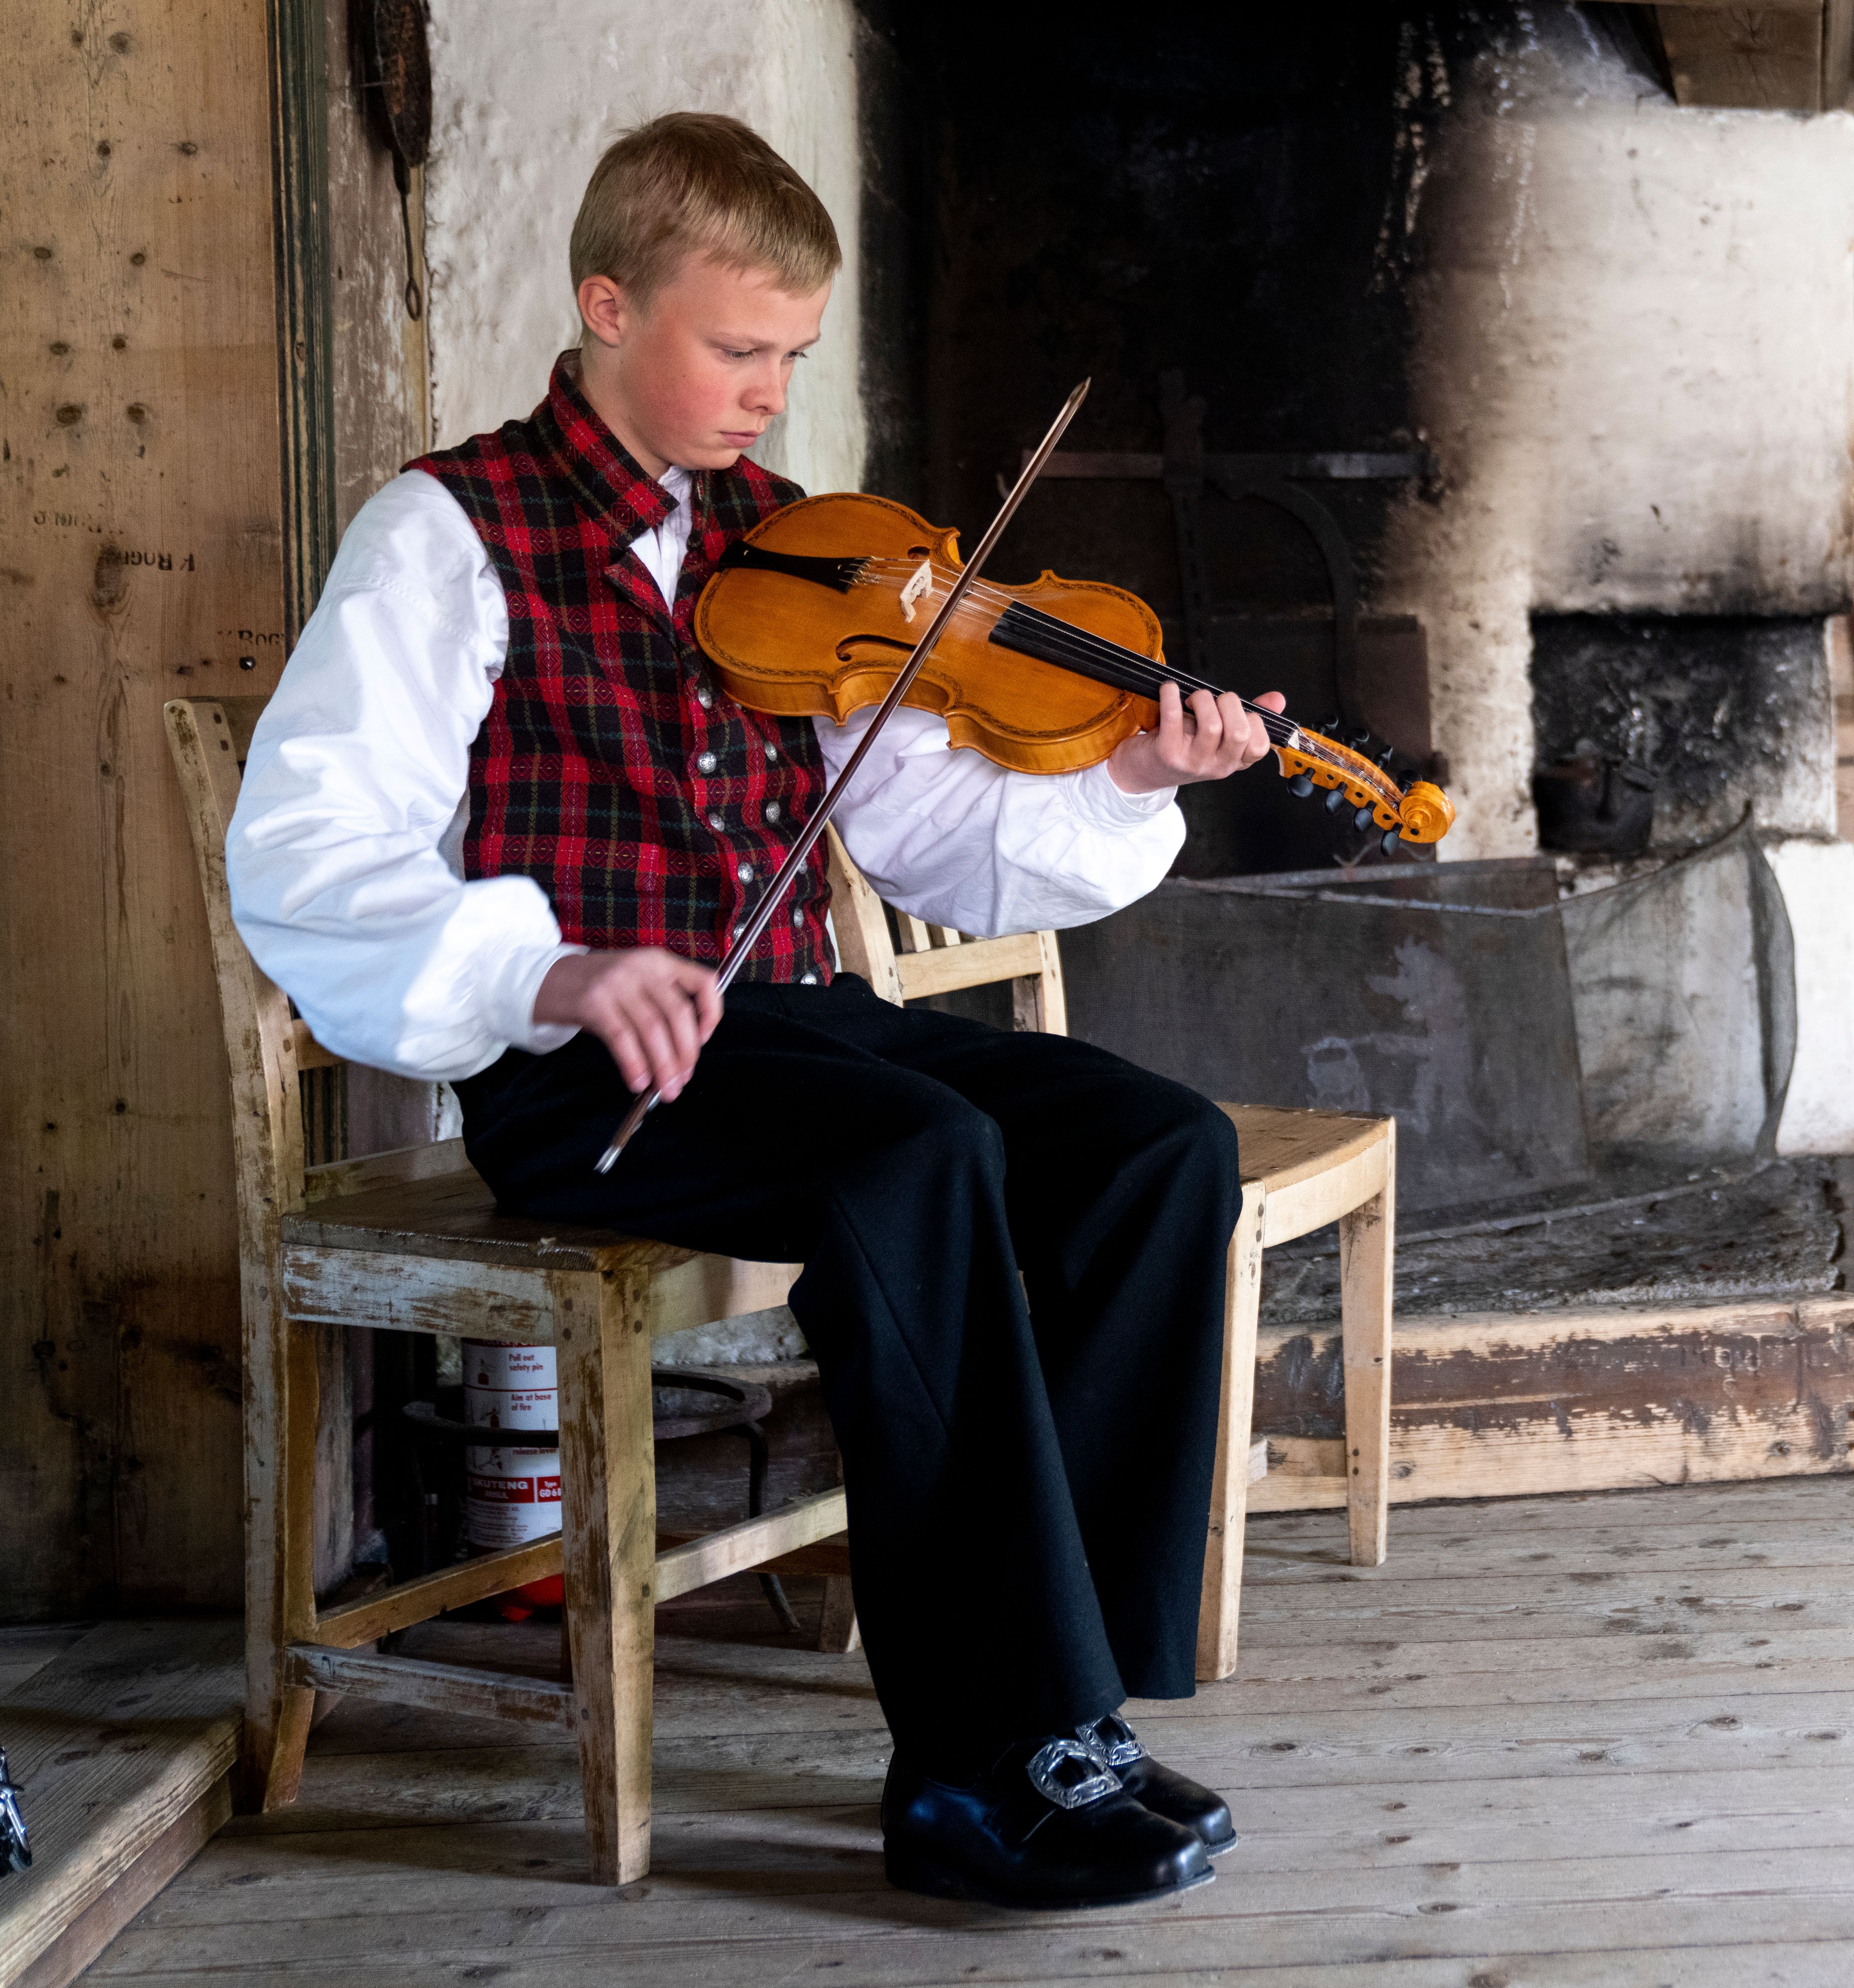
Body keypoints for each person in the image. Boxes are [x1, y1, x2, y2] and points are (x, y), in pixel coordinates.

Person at [228, 111, 1280, 1910]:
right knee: (919, 1155)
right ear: (605, 304)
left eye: (790, 357)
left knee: (1150, 1146)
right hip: (590, 1072)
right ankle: (967, 1765)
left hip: (794, 1029)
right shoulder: (444, 532)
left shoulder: (796, 552)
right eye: (735, 350)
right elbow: (308, 848)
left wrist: (1120, 780)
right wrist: (548, 967)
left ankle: (1063, 1710)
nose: (765, 397)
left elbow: (930, 827)